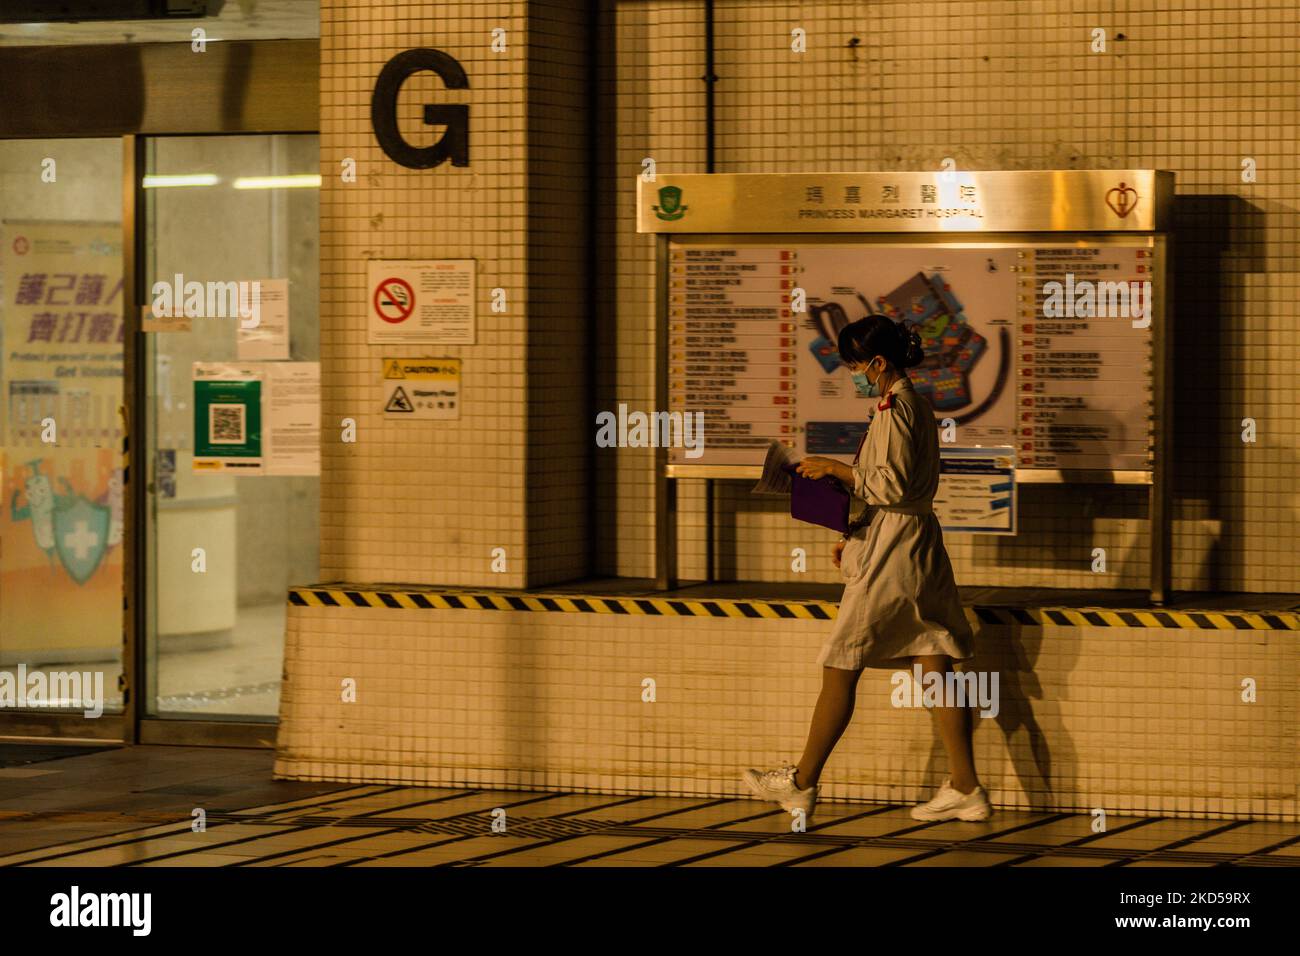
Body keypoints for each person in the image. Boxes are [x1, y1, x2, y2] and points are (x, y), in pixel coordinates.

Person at [742, 314, 989, 822]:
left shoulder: (897, 408)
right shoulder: (904, 406)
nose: (851, 373)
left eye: (855, 364)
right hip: (909, 543)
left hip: (893, 553)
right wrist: (851, 529)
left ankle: (801, 783)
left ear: (878, 363)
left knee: (841, 661)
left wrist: (833, 470)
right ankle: (965, 785)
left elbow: (890, 485)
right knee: (933, 656)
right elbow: (889, 487)